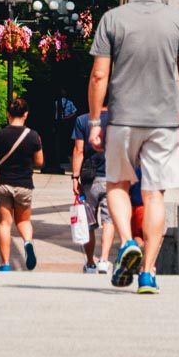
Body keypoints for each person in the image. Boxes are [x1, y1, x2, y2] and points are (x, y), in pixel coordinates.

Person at [88, 0, 179, 295]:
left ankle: (126, 242)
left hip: (122, 119)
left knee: (117, 184)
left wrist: (94, 121)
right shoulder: (178, 22)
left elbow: (99, 74)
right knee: (154, 195)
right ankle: (148, 272)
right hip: (164, 122)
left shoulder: (112, 20)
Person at [0, 97, 43, 271]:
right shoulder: (33, 135)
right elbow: (39, 161)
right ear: (26, 114)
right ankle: (27, 242)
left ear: (7, 114)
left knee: (4, 224)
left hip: (3, 183)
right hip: (24, 184)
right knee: (24, 221)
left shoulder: (0, 135)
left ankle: (5, 264)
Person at [70, 103, 112, 272]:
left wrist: (75, 176)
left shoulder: (83, 120)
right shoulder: (118, 120)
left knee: (89, 222)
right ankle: (104, 259)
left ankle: (90, 262)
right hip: (113, 176)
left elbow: (78, 150)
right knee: (109, 220)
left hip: (89, 178)